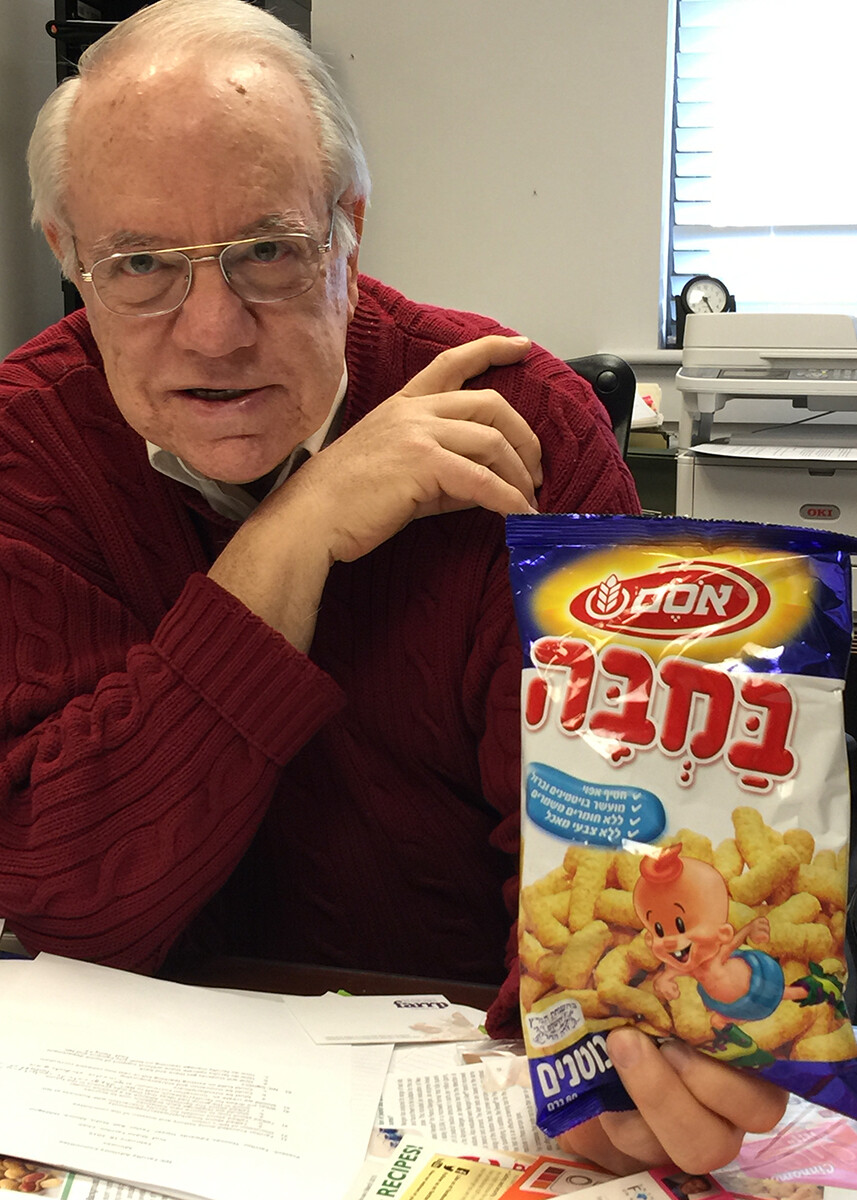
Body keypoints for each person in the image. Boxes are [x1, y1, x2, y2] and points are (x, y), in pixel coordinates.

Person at [0, 0, 786, 1173]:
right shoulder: (23, 449)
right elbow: (71, 900)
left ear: (348, 231)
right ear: (70, 259)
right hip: (141, 1112)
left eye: (267, 250)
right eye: (144, 267)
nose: (212, 331)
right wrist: (285, 543)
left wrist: (621, 1055)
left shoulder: (523, 425)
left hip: (471, 1075)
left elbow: (622, 856)